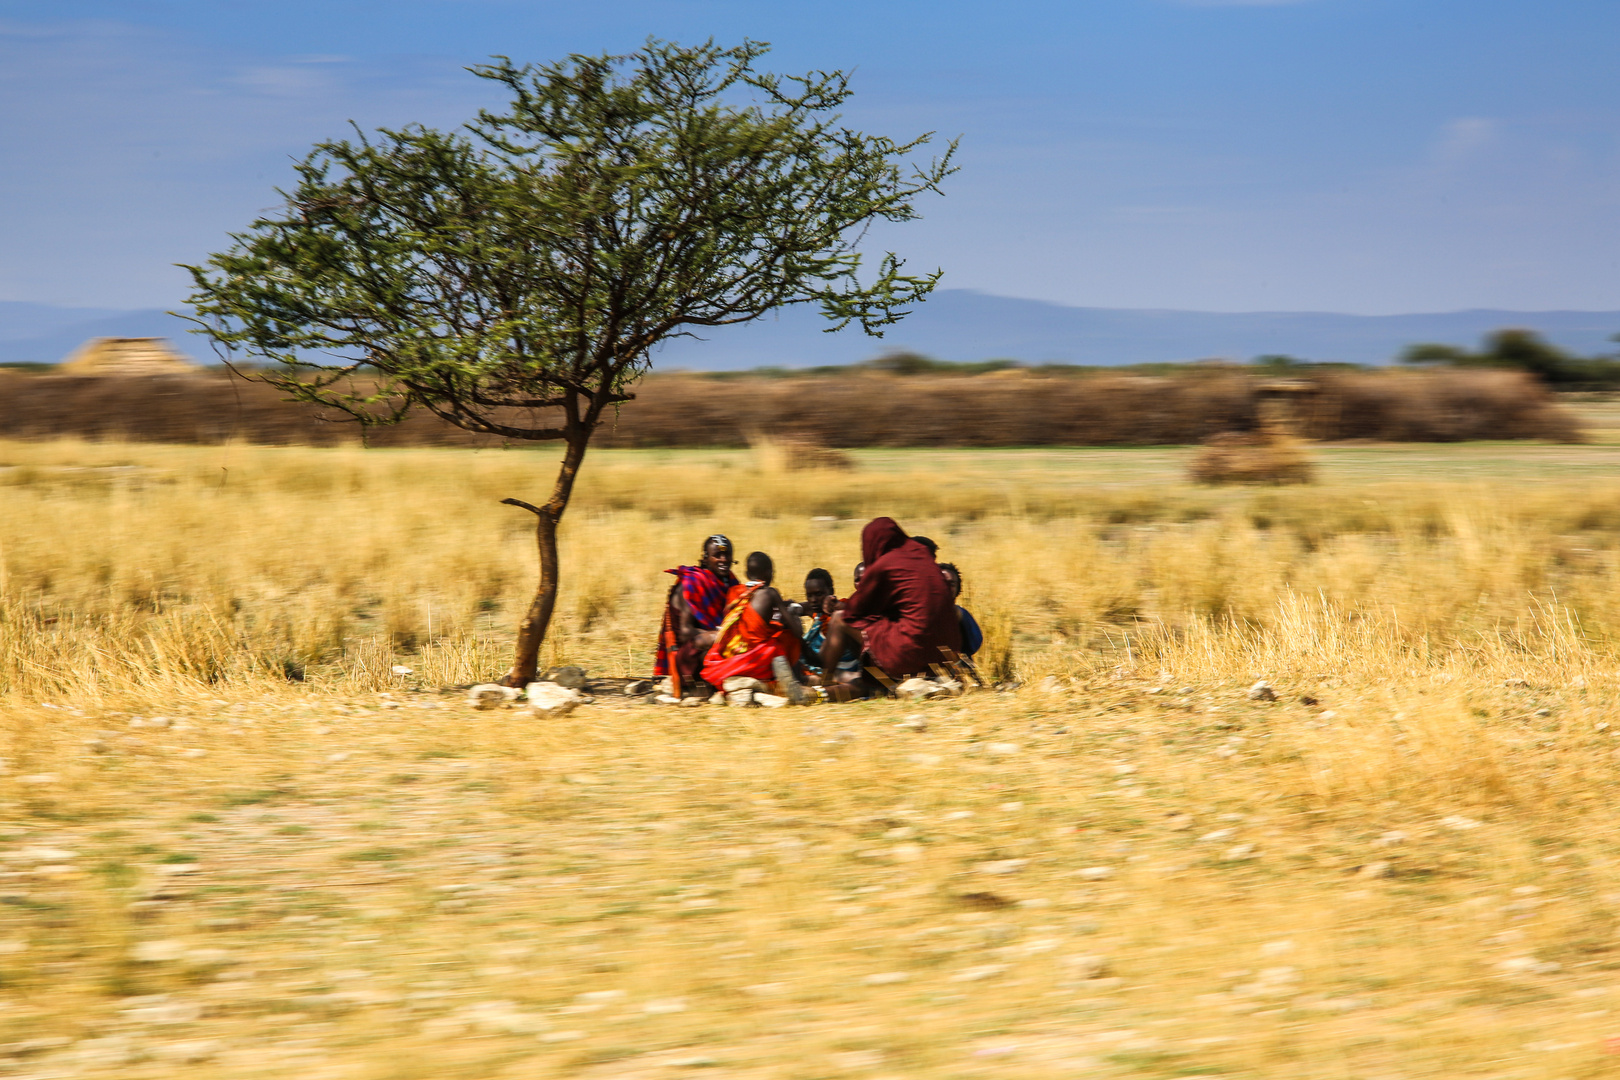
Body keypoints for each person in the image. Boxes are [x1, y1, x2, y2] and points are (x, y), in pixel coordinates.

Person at [818, 517, 962, 691]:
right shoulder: (922, 555)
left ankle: (823, 682)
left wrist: (842, 607)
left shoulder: (885, 564)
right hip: (945, 657)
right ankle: (880, 684)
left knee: (839, 620)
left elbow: (855, 612)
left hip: (910, 654)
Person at [701, 551, 809, 702]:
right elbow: (797, 631)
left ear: (746, 573)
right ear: (769, 573)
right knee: (786, 638)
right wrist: (794, 614)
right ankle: (795, 684)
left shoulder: (735, 592)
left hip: (730, 656)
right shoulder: (770, 593)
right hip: (753, 659)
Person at [654, 534, 737, 695]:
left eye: (727, 555)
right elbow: (686, 633)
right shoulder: (691, 584)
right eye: (717, 555)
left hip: (716, 645)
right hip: (689, 656)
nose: (723, 560)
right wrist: (719, 635)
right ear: (705, 559)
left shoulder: (730, 582)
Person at [800, 568, 862, 686]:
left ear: (831, 591)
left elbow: (820, 660)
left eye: (818, 594)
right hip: (822, 668)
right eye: (809, 595)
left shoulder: (842, 612)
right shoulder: (818, 613)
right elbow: (802, 606)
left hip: (839, 669)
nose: (813, 600)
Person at [939, 562, 983, 658]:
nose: (946, 587)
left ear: (957, 589)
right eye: (942, 582)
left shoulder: (962, 615)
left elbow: (975, 644)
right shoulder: (916, 614)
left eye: (951, 584)